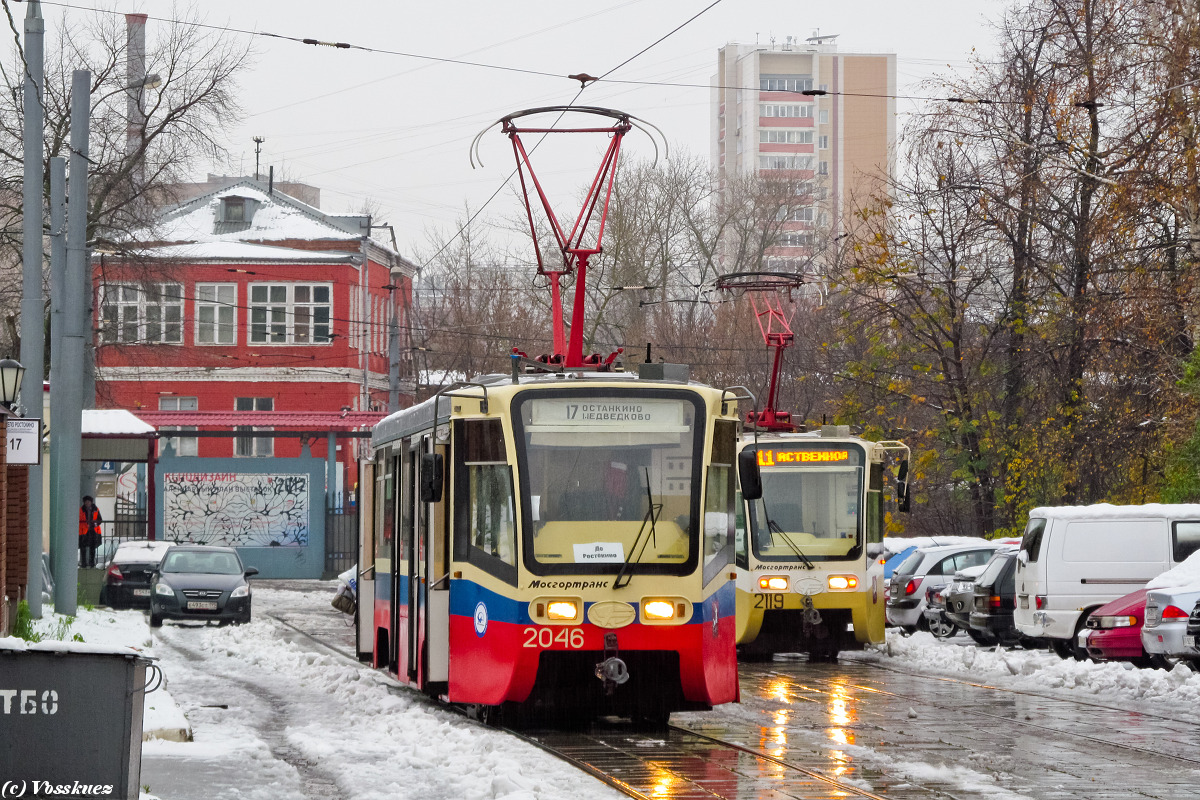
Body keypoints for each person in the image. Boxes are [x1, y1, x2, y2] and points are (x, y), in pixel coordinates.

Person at [79, 495, 103, 568]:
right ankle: (83, 563)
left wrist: (94, 523)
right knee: (83, 548)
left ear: (91, 502)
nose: (87, 503)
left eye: (88, 502)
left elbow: (100, 519)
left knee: (92, 548)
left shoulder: (96, 509)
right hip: (84, 531)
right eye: (86, 502)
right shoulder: (81, 509)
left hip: (93, 531)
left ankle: (91, 562)